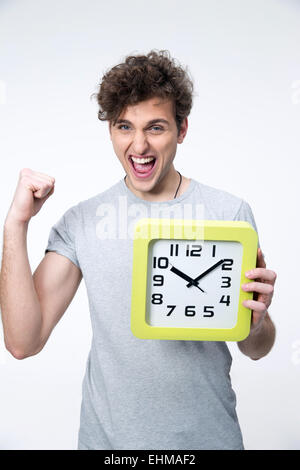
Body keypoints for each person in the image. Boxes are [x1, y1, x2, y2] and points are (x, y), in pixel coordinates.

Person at [0, 50, 276, 450]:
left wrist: (258, 322)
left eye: (156, 127)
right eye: (124, 126)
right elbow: (23, 342)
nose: (139, 144)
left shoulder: (228, 213)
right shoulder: (83, 221)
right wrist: (15, 225)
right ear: (111, 130)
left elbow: (256, 348)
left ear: (182, 130)